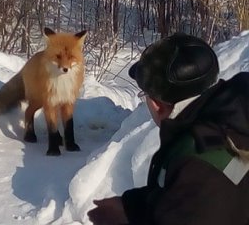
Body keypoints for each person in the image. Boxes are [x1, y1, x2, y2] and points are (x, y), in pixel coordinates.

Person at [87, 33, 249, 225]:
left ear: (157, 104)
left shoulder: (197, 161)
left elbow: (196, 198)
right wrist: (131, 208)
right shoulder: (234, 114)